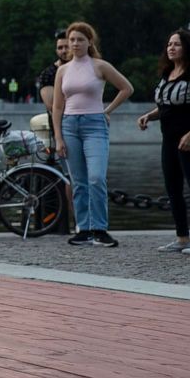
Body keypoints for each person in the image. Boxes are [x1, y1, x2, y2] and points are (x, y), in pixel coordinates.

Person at [52, 22, 132, 248]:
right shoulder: (62, 70)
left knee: (96, 177)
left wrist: (107, 110)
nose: (75, 44)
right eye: (72, 40)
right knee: (78, 182)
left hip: (95, 125)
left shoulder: (100, 66)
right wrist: (58, 137)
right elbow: (58, 107)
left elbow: (127, 88)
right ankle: (84, 229)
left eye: (80, 40)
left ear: (89, 42)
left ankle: (100, 229)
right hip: (69, 126)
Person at [137, 29, 190, 252]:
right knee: (173, 188)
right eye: (169, 44)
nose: (171, 48)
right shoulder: (167, 73)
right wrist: (150, 115)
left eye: (176, 44)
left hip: (187, 138)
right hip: (168, 139)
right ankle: (182, 238)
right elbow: (165, 105)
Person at [37, 30, 70, 155]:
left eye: (66, 47)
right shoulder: (49, 73)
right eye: (60, 48)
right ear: (56, 51)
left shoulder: (84, 68)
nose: (63, 51)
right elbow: (52, 105)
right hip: (62, 129)